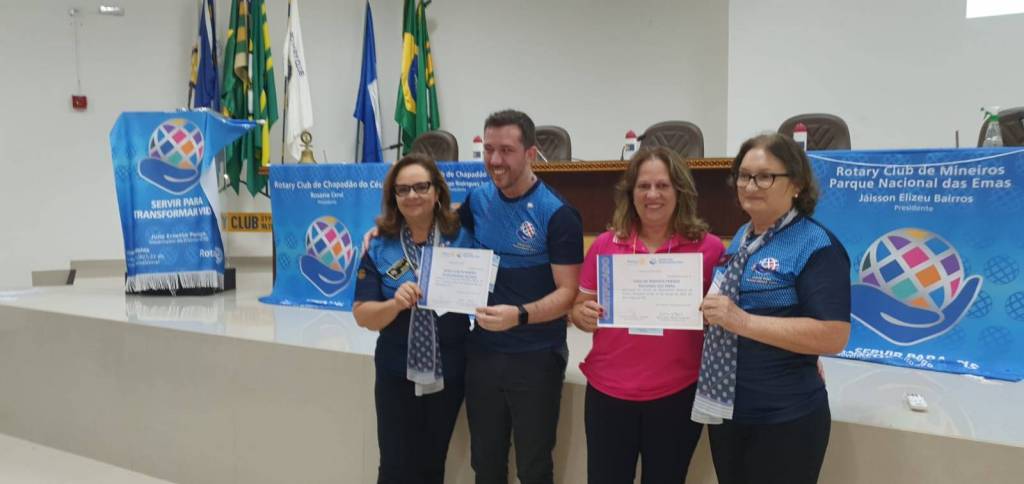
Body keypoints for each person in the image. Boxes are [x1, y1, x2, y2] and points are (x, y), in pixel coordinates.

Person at [692, 133, 851, 484]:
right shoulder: (743, 236)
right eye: (744, 176)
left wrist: (742, 321)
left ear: (796, 184)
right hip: (730, 410)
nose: (750, 186)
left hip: (785, 417)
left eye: (765, 176)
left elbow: (834, 335)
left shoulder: (816, 244)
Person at [571, 147, 724, 484]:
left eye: (662, 185)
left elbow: (726, 317)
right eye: (643, 186)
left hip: (677, 394)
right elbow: (578, 307)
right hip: (608, 392)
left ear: (680, 191)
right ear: (631, 193)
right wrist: (582, 314)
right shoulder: (605, 245)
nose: (652, 194)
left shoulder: (710, 249)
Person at [459, 109, 583, 484]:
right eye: (489, 149)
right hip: (482, 352)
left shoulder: (557, 213)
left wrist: (520, 315)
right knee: (485, 464)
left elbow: (567, 293)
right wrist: (383, 232)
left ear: (530, 154)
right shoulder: (477, 200)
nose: (495, 160)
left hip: (536, 356)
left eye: (507, 150)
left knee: (533, 467)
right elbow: (440, 232)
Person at [353, 153, 474, 484]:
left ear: (437, 191)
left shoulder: (464, 236)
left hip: (449, 369)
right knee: (394, 466)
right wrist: (395, 304)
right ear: (393, 196)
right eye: (403, 189)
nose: (412, 195)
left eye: (421, 187)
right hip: (396, 370)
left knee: (432, 464)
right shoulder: (379, 245)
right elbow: (363, 315)